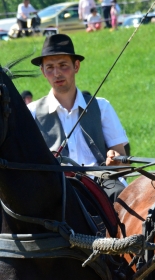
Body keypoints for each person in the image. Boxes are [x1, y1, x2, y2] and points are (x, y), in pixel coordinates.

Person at [27, 34, 129, 201]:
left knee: (123, 198)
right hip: (56, 188)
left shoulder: (101, 107)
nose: (57, 73)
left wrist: (115, 160)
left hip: (102, 184)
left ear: (76, 66)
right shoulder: (31, 113)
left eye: (63, 65)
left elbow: (124, 161)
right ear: (43, 72)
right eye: (50, 67)